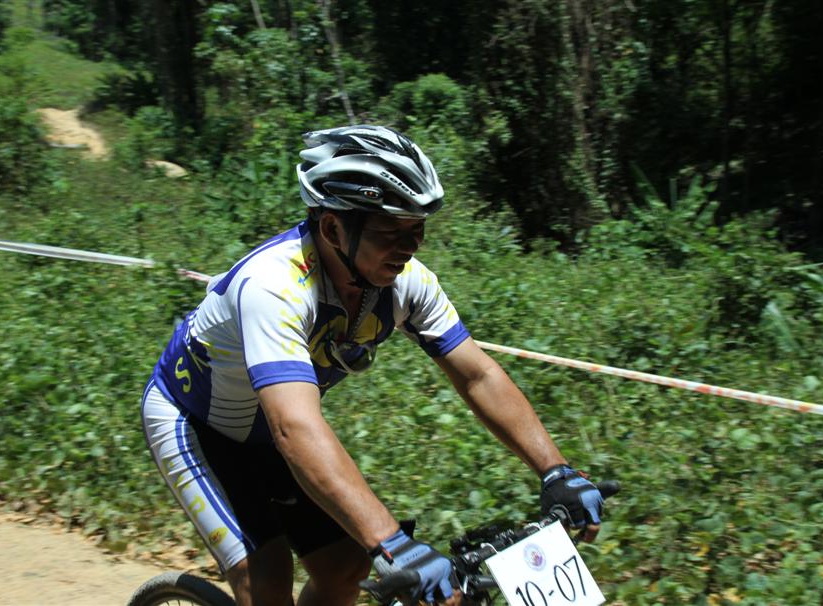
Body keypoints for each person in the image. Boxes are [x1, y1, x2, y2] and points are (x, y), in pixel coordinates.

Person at [141, 125, 608, 606]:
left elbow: (478, 375)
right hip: (194, 424)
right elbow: (295, 428)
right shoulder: (272, 287)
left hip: (271, 432)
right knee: (267, 580)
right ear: (332, 229)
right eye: (391, 231)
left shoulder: (408, 283)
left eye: (417, 228)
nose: (410, 246)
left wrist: (556, 470)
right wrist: (392, 543)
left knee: (346, 568)